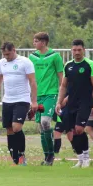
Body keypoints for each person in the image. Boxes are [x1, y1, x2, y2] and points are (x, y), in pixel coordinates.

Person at [0, 42, 37, 165]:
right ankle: (15, 158)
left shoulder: (25, 62)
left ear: (14, 50)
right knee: (9, 129)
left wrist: (34, 101)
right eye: (4, 54)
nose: (6, 57)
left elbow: (32, 82)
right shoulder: (1, 63)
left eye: (8, 54)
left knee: (16, 127)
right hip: (7, 100)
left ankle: (21, 155)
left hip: (22, 99)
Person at [56, 39, 93, 168]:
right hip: (71, 103)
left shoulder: (90, 65)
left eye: (79, 50)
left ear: (84, 50)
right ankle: (80, 158)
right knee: (71, 133)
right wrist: (59, 102)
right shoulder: (68, 65)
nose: (77, 52)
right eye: (74, 50)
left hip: (85, 102)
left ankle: (86, 158)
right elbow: (63, 85)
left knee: (79, 129)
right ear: (71, 50)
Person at [29, 32, 64, 165]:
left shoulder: (55, 56)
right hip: (37, 95)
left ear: (43, 42)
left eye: (36, 41)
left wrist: (61, 96)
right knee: (41, 126)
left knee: (45, 122)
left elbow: (61, 76)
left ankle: (51, 155)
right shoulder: (32, 57)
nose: (34, 43)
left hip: (51, 94)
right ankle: (47, 156)